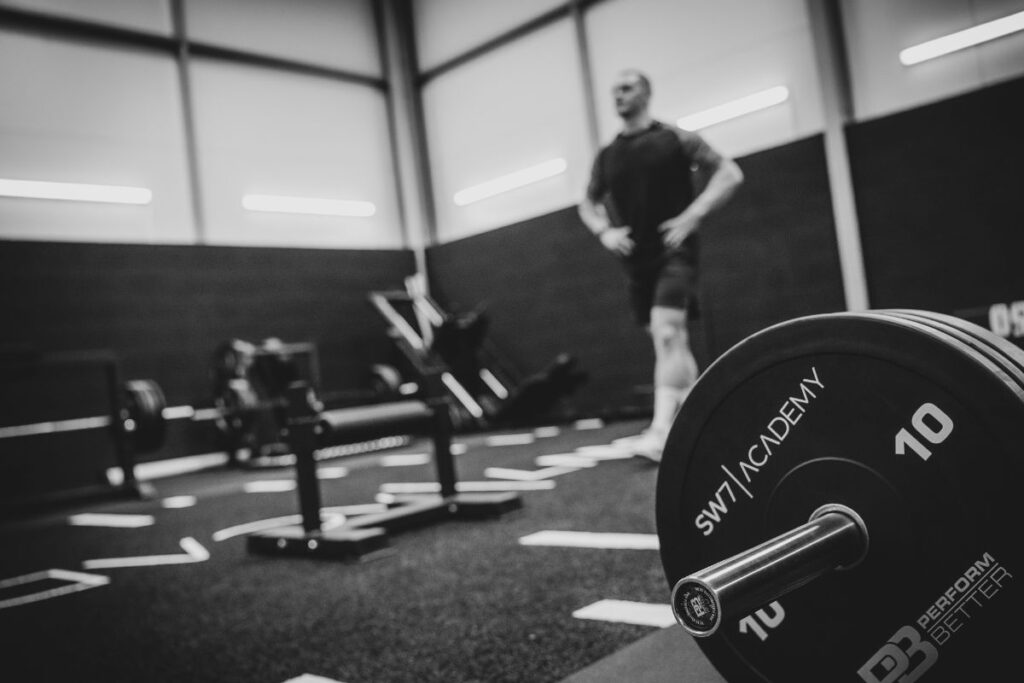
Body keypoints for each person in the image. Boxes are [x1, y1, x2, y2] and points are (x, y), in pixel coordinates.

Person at [578, 69, 744, 462]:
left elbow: (729, 172)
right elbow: (587, 202)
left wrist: (693, 215)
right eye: (614, 90)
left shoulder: (675, 138)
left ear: (646, 93)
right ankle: (701, 421)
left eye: (627, 88)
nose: (618, 95)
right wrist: (604, 231)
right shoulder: (607, 155)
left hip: (675, 252)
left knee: (667, 332)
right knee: (670, 340)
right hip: (637, 261)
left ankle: (661, 431)